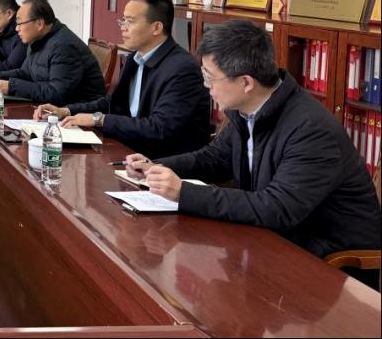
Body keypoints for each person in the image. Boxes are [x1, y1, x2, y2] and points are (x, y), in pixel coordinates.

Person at [125, 19, 381, 260]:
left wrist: (184, 192)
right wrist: (155, 166)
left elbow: (277, 208)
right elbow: (214, 158)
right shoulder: (247, 110)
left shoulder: (310, 130)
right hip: (275, 239)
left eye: (210, 77)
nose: (206, 86)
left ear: (246, 82)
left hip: (329, 259)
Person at [37, 0, 210, 158]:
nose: (123, 28)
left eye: (130, 21)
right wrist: (67, 110)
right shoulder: (135, 57)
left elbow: (159, 128)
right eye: (123, 20)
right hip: (130, 151)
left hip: (163, 164)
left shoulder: (182, 68)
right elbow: (113, 102)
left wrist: (99, 120)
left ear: (156, 27)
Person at [0, 0, 105, 105]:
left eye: (20, 23)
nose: (17, 28)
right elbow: (26, 72)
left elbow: (58, 94)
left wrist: (11, 86)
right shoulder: (37, 39)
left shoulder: (63, 46)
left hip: (80, 112)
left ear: (39, 23)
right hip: (51, 106)